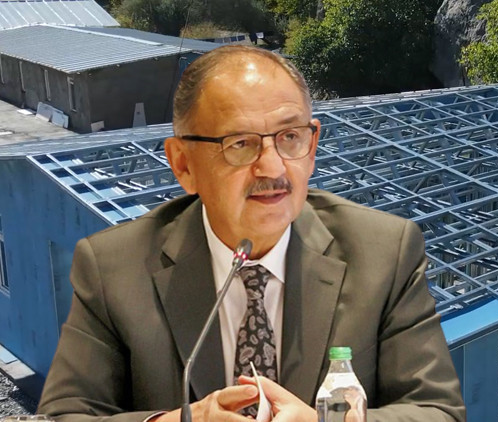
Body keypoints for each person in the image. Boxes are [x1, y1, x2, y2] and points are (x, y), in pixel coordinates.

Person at [37, 45, 466, 422]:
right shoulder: (112, 268)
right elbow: (64, 415)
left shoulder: (385, 252)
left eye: (290, 137)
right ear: (183, 164)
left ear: (312, 147)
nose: (273, 167)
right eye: (240, 144)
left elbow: (437, 411)